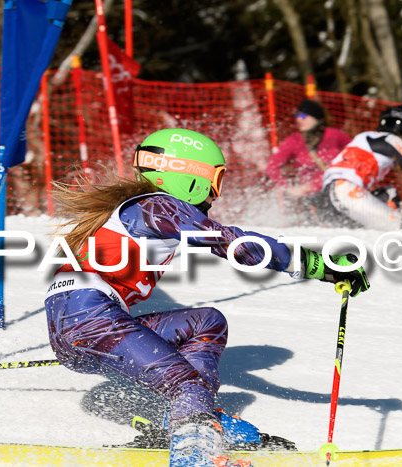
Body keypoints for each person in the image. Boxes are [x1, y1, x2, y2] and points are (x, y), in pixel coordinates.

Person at [45, 128, 370, 467]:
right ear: (189, 176)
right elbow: (237, 245)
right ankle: (193, 453)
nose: (215, 195)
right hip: (91, 321)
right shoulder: (157, 206)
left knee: (207, 322)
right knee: (184, 384)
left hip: (84, 326)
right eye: (216, 181)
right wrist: (317, 265)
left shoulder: (149, 211)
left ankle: (199, 421)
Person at [265, 99, 352, 199]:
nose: (298, 119)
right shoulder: (293, 141)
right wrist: (288, 188)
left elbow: (357, 153)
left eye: (303, 116)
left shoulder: (334, 135)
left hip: (339, 189)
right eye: (296, 116)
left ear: (315, 117)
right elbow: (271, 167)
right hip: (311, 197)